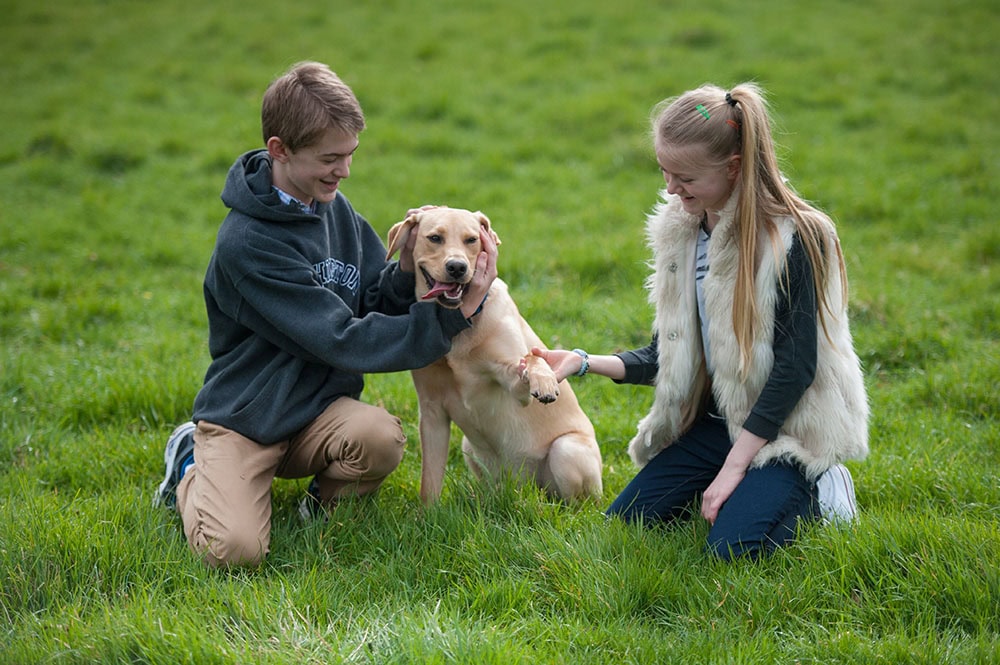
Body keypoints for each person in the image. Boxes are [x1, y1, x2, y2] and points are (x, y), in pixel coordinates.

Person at [153, 61, 498, 568]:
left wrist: (407, 271)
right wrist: (451, 317)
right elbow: (342, 338)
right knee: (234, 554)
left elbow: (372, 302)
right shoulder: (247, 244)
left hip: (318, 411)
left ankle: (322, 511)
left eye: (350, 154)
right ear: (280, 151)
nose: (345, 170)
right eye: (330, 157)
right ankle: (189, 462)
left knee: (380, 439)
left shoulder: (330, 205)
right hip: (248, 418)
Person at [532, 82, 868, 560]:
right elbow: (672, 353)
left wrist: (734, 468)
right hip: (718, 420)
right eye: (665, 172)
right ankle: (742, 486)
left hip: (788, 428)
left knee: (732, 551)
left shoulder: (796, 237)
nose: (670, 188)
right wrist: (584, 362)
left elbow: (795, 368)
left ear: (733, 169)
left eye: (684, 177)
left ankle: (821, 489)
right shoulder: (683, 227)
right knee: (629, 523)